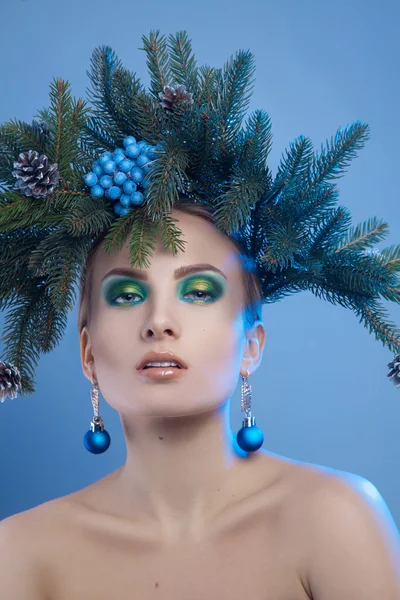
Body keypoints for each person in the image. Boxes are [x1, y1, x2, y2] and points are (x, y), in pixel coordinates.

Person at [0, 30, 400, 599]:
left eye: (199, 291)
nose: (159, 321)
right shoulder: (19, 555)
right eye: (126, 294)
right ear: (88, 353)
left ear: (252, 344)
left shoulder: (334, 520)